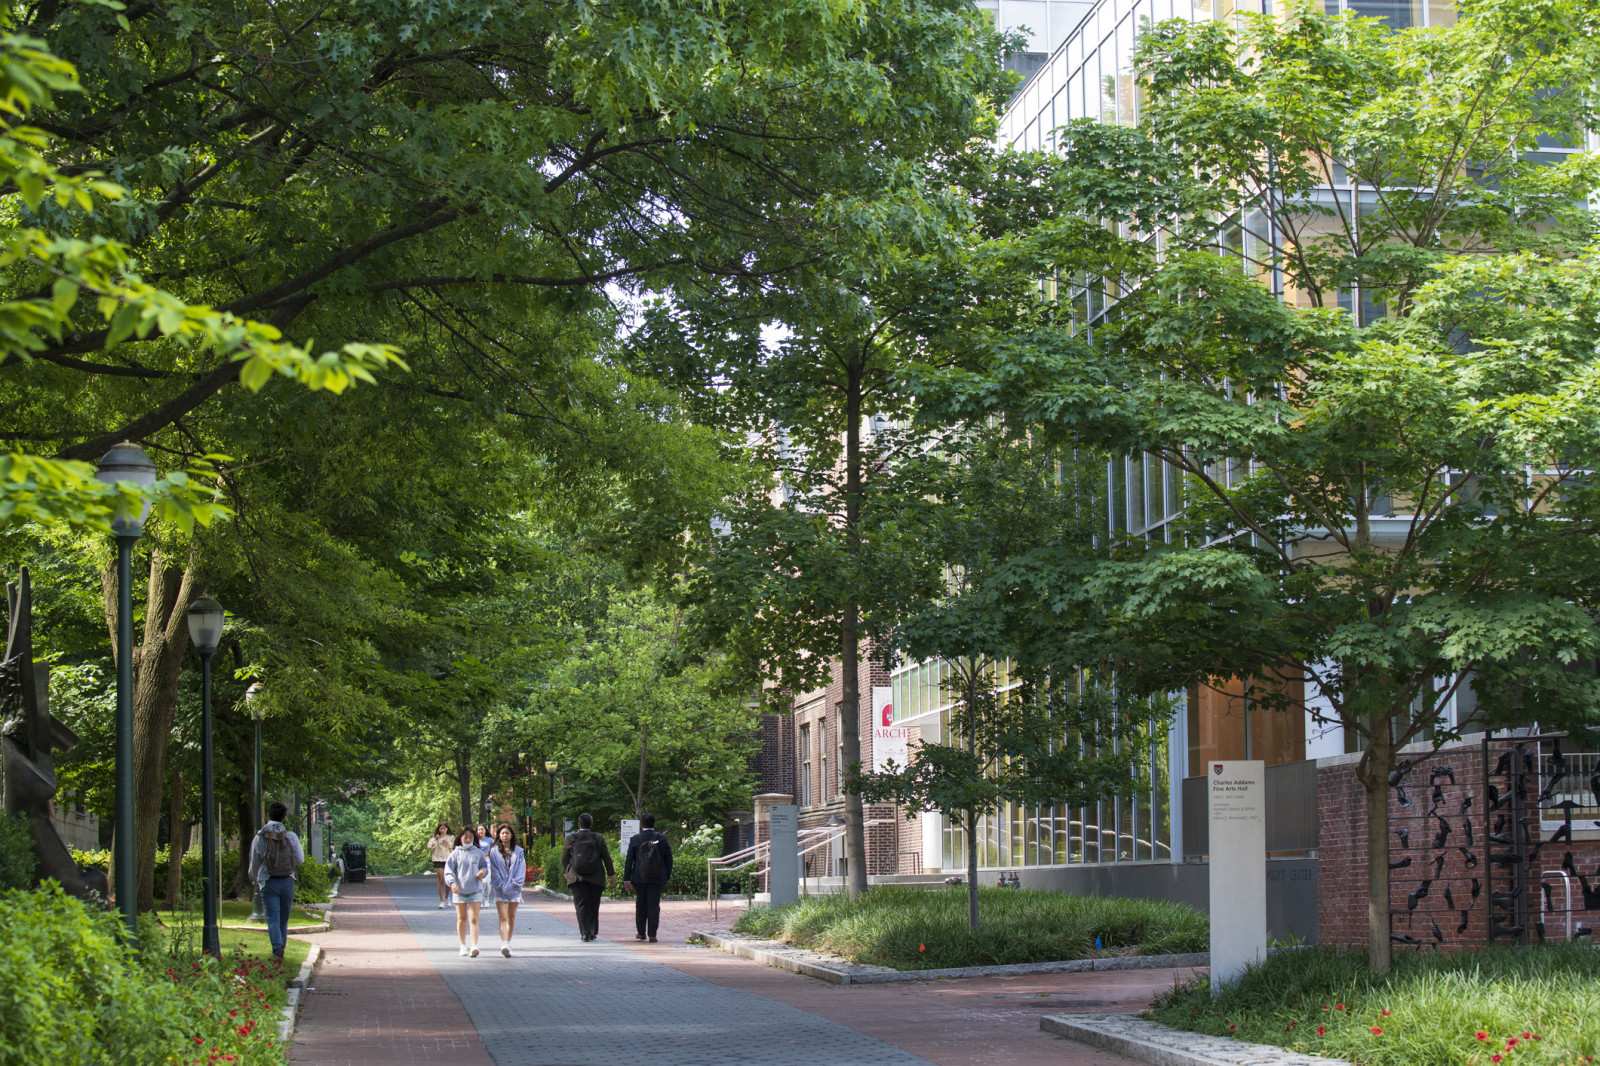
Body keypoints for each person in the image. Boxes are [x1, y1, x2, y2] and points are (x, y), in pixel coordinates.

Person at [248, 801, 304, 962]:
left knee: (272, 918)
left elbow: (254, 862)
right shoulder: (290, 836)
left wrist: (255, 880)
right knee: (283, 920)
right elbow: (300, 859)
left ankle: (277, 949)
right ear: (284, 818)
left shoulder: (260, 836)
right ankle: (281, 949)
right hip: (287, 880)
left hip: (268, 881)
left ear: (268, 816)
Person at [561, 813, 614, 941]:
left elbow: (564, 857)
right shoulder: (598, 838)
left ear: (579, 824)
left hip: (577, 877)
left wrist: (566, 871)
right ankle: (593, 931)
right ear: (591, 824)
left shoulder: (571, 838)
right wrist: (611, 873)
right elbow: (606, 857)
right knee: (594, 905)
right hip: (596, 877)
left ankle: (584, 933)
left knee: (581, 905)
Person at [622, 812, 674, 943]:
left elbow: (629, 860)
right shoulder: (662, 839)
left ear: (641, 825)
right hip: (657, 877)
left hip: (639, 877)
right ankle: (652, 934)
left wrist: (627, 878)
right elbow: (669, 859)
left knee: (641, 904)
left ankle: (640, 932)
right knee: (654, 904)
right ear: (654, 824)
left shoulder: (635, 839)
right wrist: (666, 875)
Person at [443, 826, 489, 956]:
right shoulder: (455, 853)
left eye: (470, 838)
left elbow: (484, 866)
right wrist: (452, 883)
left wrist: (483, 872)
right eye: (465, 837)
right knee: (461, 918)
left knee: (474, 918)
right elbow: (449, 871)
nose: (468, 840)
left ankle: (474, 945)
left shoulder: (478, 852)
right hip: (460, 891)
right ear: (460, 838)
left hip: (475, 890)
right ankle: (463, 945)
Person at [487, 822, 525, 956]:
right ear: (498, 835)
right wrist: (502, 885)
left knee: (512, 916)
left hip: (514, 888)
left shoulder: (519, 851)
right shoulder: (494, 852)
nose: (505, 835)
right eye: (502, 833)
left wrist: (514, 884)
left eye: (507, 833)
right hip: (500, 888)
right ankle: (504, 942)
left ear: (511, 835)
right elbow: (493, 870)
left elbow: (521, 870)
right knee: (503, 916)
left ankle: (508, 942)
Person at [427, 822, 454, 909]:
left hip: (447, 860)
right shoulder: (435, 837)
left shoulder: (451, 837)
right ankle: (441, 901)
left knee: (448, 880)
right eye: (441, 829)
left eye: (444, 829)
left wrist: (448, 843)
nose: (442, 830)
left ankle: (446, 897)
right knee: (441, 880)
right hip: (438, 859)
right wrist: (435, 839)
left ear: (447, 829)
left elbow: (454, 847)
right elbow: (429, 847)